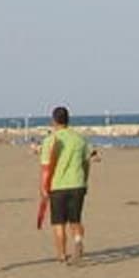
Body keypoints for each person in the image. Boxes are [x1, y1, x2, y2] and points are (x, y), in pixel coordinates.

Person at [39, 106, 94, 263]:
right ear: (68, 120)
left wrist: (43, 188)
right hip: (77, 183)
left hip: (58, 186)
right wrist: (85, 181)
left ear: (53, 121)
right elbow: (86, 163)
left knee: (59, 223)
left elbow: (46, 168)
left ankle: (62, 254)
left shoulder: (50, 141)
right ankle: (78, 240)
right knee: (75, 220)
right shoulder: (80, 139)